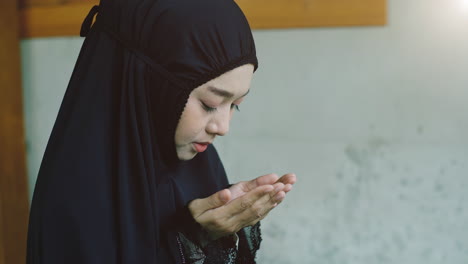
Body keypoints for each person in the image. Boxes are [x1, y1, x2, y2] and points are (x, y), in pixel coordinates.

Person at [26, 0, 296, 263]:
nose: (222, 128)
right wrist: (194, 238)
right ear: (148, 86)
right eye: (210, 103)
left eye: (235, 106)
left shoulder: (201, 163)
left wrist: (216, 226)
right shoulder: (77, 201)